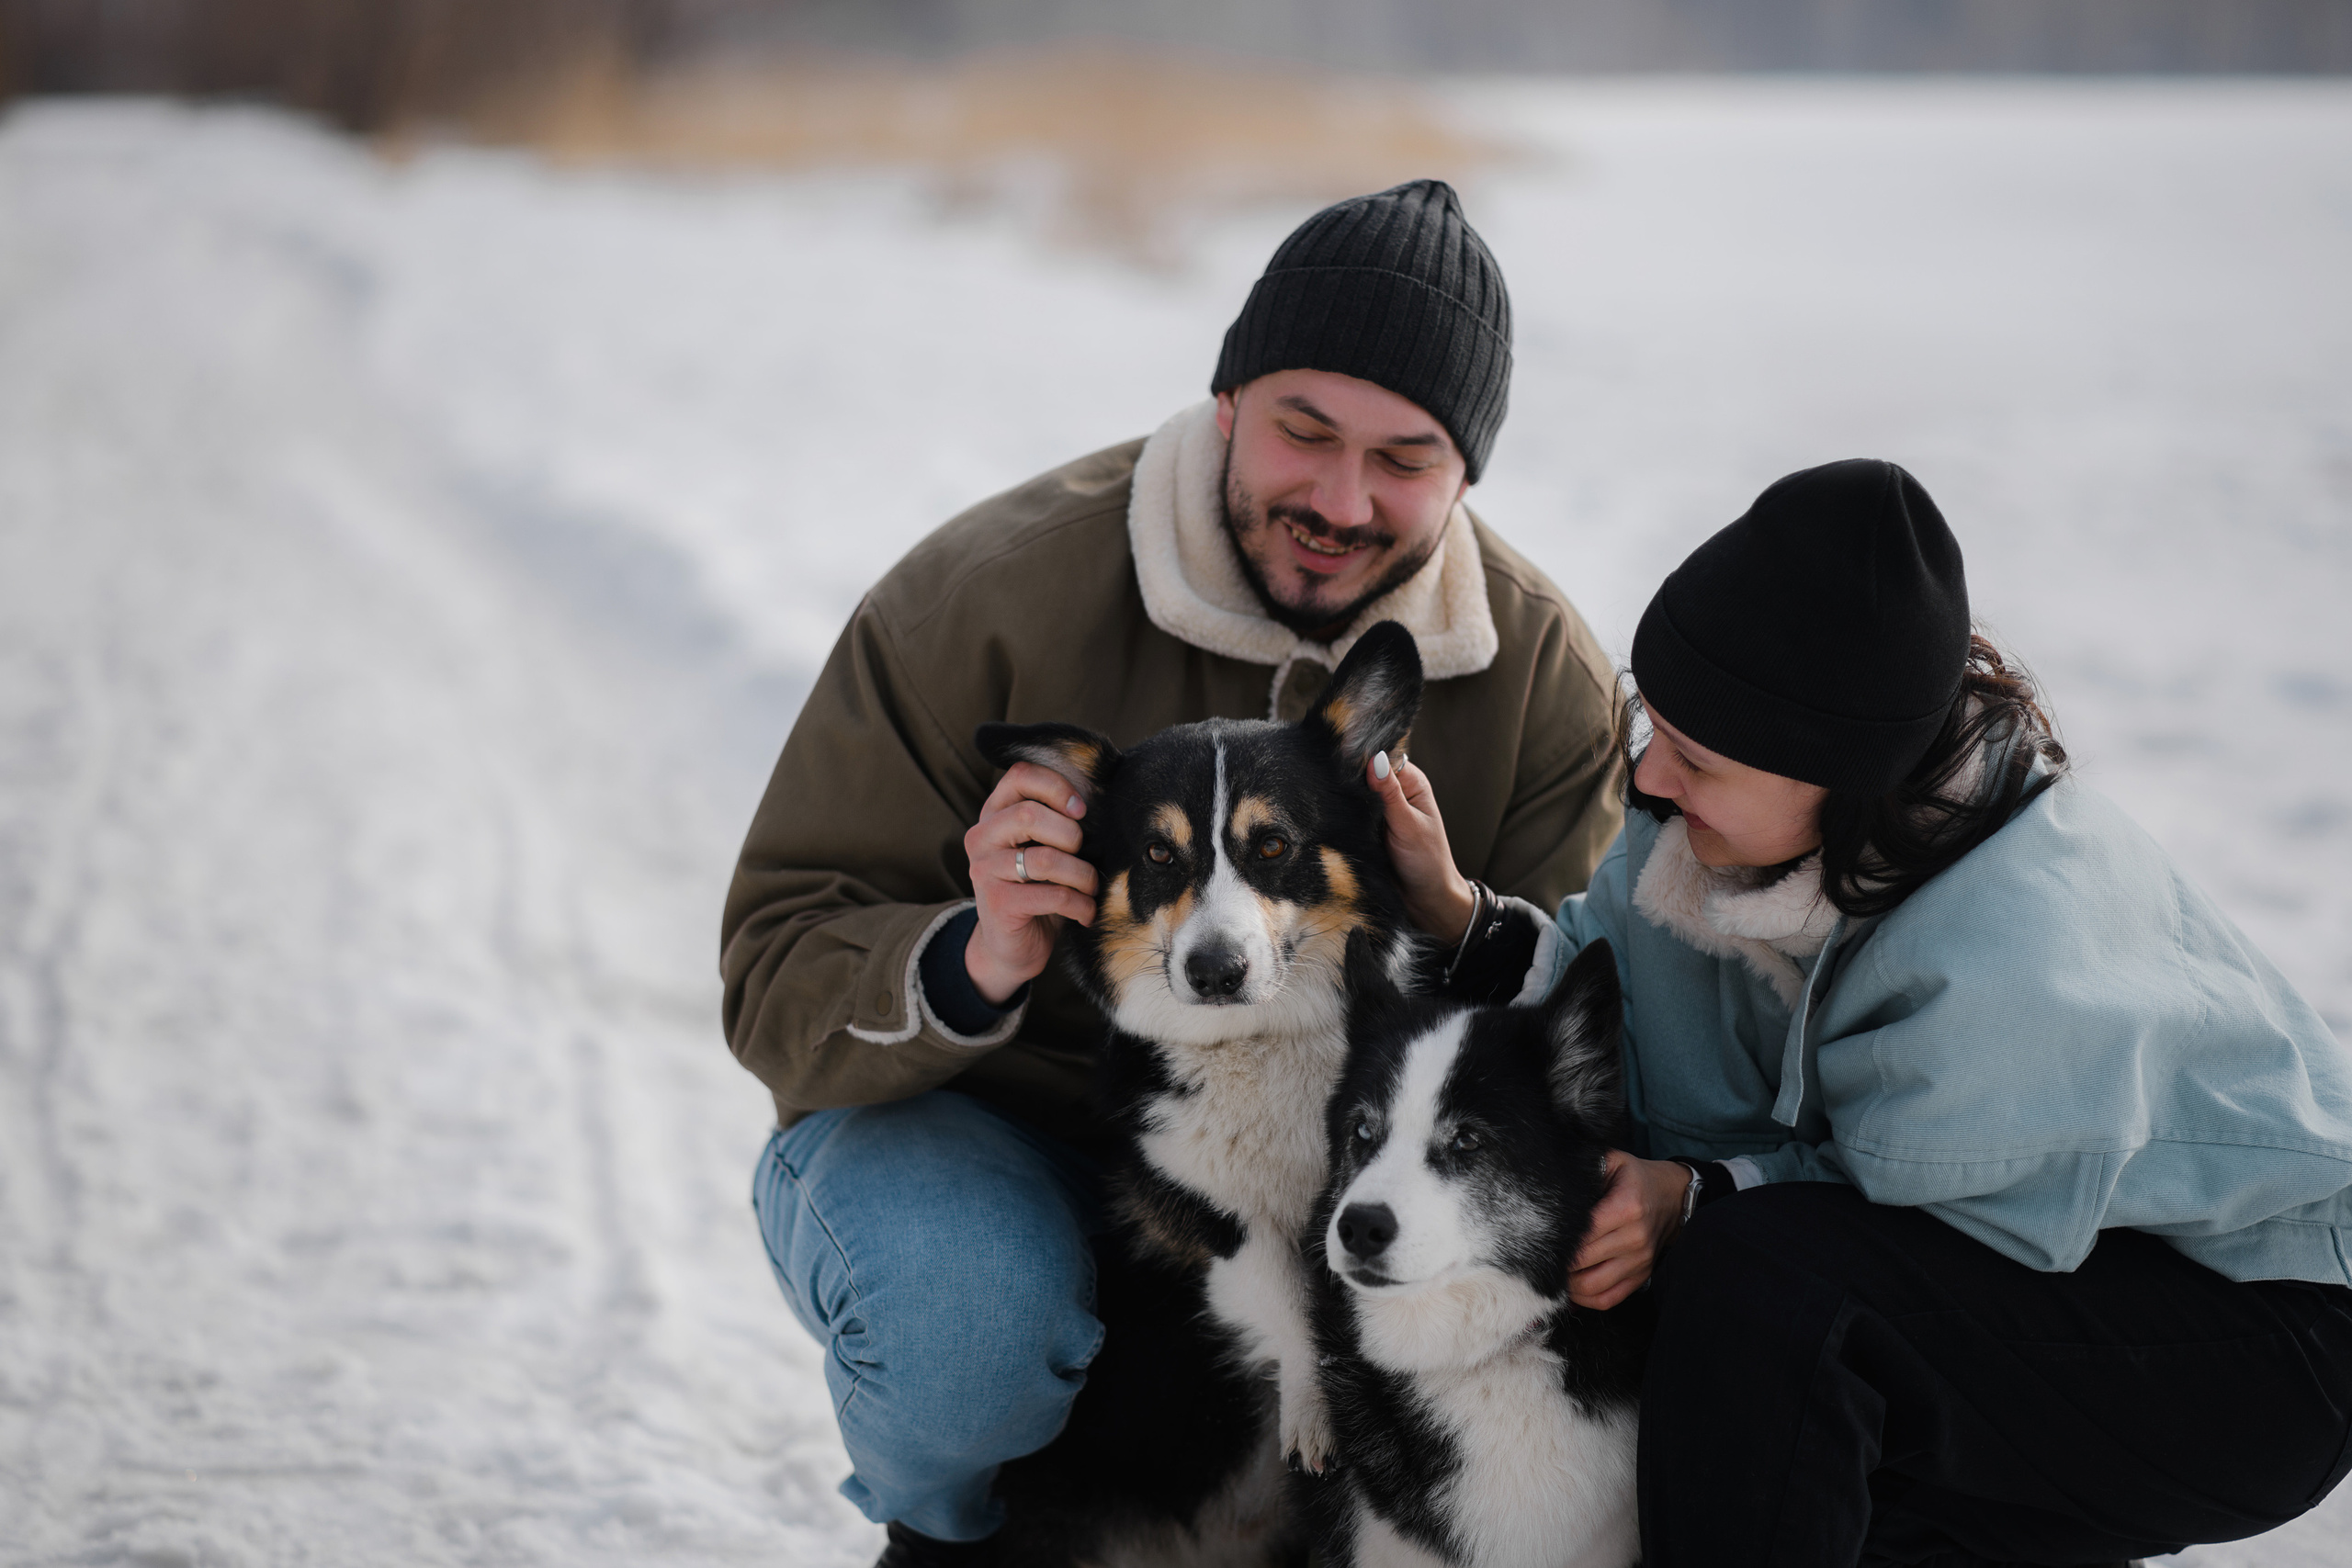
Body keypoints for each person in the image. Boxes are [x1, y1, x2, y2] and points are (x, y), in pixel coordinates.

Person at [721, 179, 1627, 1565]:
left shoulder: (1539, 677)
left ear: (1467, 475)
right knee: (971, 1324)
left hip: (1314, 1167)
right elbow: (773, 964)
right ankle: (954, 1538)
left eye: (1405, 457)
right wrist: (975, 955)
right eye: (1303, 431)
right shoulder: (990, 596)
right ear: (1227, 405)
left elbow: (1597, 1019)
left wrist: (1463, 922)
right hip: (982, 1128)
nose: (1339, 497)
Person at [1373, 457, 2352, 1567]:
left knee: (1774, 1309)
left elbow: (1894, 1248)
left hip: (2258, 1342)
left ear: (1839, 777)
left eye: (1693, 759)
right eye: (1650, 727)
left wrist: (1694, 1199)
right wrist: (1458, 916)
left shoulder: (2007, 966)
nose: (1648, 781)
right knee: (1805, 1439)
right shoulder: (1716, 836)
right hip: (2020, 1288)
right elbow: (1615, 1014)